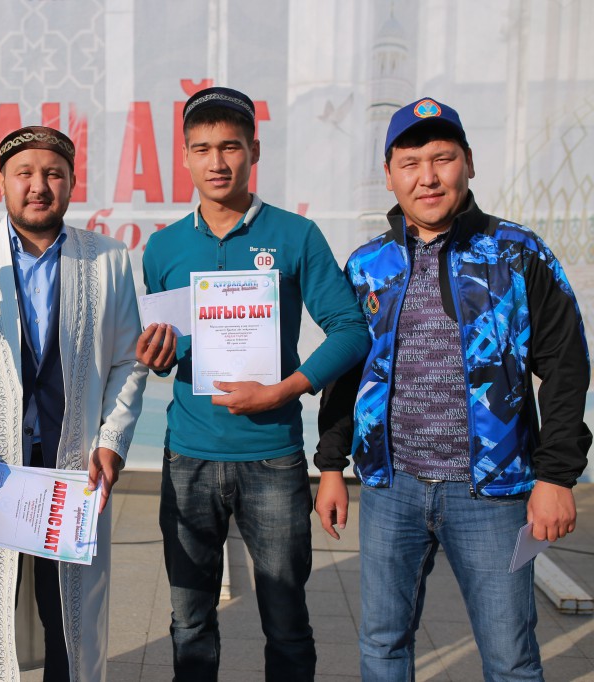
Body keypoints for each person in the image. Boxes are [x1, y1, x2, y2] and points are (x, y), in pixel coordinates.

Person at [314, 97, 591, 681]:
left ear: (469, 163)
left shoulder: (518, 253)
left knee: (511, 656)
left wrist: (557, 477)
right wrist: (332, 464)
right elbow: (347, 369)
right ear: (389, 175)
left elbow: (566, 366)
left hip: (493, 493)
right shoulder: (367, 265)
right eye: (410, 163)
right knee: (382, 644)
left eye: (443, 159)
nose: (428, 177)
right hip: (391, 488)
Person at [138, 86, 369, 681]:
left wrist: (285, 389)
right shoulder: (162, 247)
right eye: (202, 149)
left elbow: (351, 331)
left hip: (272, 457)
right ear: (185, 157)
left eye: (231, 147)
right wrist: (156, 356)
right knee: (189, 621)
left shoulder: (296, 236)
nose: (217, 162)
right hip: (188, 457)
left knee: (286, 624)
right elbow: (168, 350)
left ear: (254, 151)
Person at [0, 125, 148, 682]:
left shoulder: (106, 259)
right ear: (1, 181)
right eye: (24, 173)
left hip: (74, 472)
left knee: (70, 621)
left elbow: (128, 360)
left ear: (72, 183)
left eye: (53, 174)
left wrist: (112, 441)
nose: (39, 186)